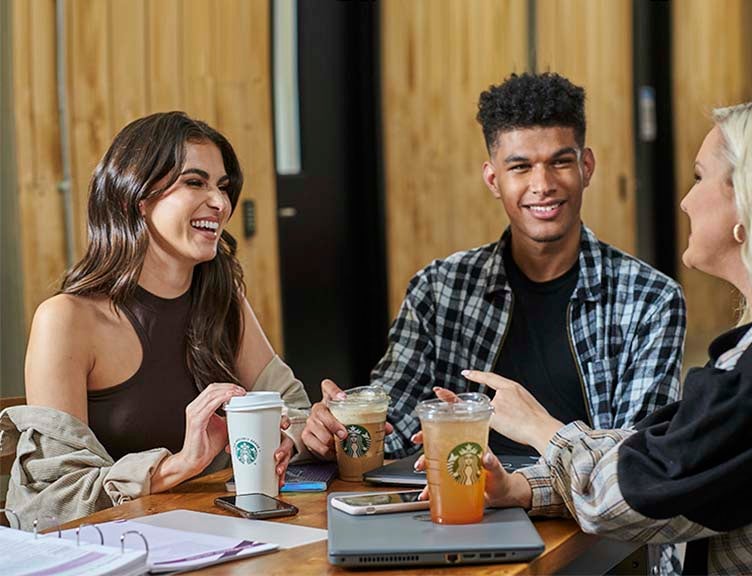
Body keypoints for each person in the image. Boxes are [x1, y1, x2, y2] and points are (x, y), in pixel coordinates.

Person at [447, 101, 752, 576]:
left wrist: (540, 428)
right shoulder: (749, 355)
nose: (685, 200)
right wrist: (524, 486)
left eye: (699, 178)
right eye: (520, 166)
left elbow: (635, 494)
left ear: (747, 199)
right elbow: (658, 448)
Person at [303, 72, 685, 461]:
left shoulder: (648, 299)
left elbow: (638, 460)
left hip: (578, 511)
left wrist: (525, 485)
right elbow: (394, 425)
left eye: (560, 162)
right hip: (457, 502)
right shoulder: (439, 289)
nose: (543, 184)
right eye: (520, 167)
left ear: (586, 167)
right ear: (493, 179)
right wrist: (339, 429)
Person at [0, 112, 311, 530]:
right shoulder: (66, 320)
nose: (220, 203)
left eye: (223, 186)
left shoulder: (223, 298)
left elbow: (292, 408)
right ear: (136, 198)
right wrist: (180, 464)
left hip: (213, 537)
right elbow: (54, 497)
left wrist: (293, 437)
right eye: (195, 182)